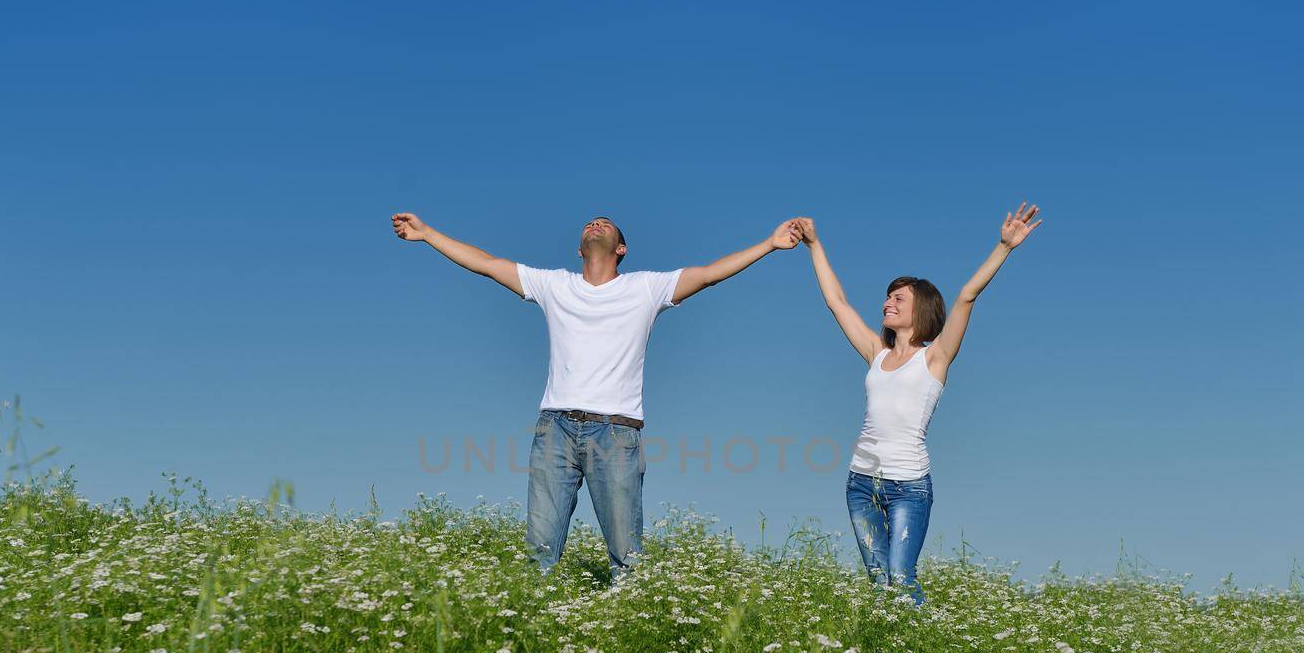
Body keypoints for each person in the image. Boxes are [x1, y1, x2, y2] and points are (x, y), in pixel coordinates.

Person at [392, 211, 803, 579]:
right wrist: (428, 234)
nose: (596, 223)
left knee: (626, 555)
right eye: (590, 223)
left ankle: (627, 635)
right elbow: (486, 264)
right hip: (555, 428)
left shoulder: (646, 288)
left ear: (620, 248)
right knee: (540, 549)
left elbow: (710, 273)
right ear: (579, 248)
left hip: (616, 432)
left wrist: (769, 244)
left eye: (606, 223)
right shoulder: (555, 285)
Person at [798, 203, 1043, 604]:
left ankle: (919, 647)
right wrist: (814, 245)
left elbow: (967, 297)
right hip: (860, 483)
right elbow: (836, 302)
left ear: (920, 309)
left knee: (900, 574)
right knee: (879, 581)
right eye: (887, 298)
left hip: (909, 487)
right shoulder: (875, 351)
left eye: (898, 298)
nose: (887, 304)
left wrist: (1004, 247)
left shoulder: (935, 358)